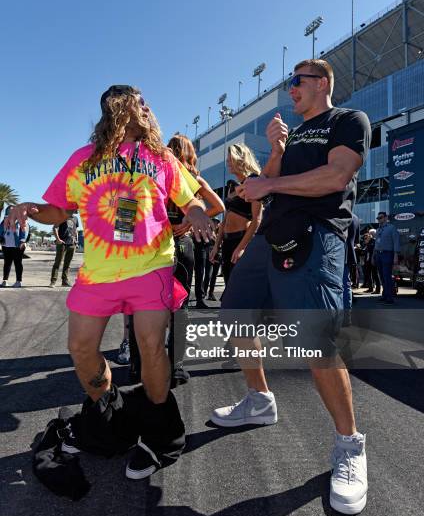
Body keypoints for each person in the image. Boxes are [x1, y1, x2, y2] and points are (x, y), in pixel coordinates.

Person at [5, 85, 213, 480]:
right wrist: (28, 207)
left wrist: (199, 213)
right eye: (142, 102)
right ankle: (112, 416)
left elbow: (191, 199)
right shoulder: (83, 159)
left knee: (151, 345)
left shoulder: (162, 157)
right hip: (98, 272)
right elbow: (57, 210)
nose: (150, 109)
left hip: (152, 264)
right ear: (121, 108)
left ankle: (157, 432)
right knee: (80, 348)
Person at [211, 59, 371, 515]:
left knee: (315, 343)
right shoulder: (296, 134)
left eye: (295, 82)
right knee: (236, 315)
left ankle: (349, 446)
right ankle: (259, 399)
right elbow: (268, 185)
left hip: (318, 234)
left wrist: (272, 181)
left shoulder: (347, 120)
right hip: (270, 236)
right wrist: (277, 148)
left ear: (321, 83)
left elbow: (335, 176)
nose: (290, 90)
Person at [166, 134, 224, 379]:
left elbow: (219, 207)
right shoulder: (193, 178)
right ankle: (176, 363)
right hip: (182, 244)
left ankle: (147, 360)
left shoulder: (164, 173)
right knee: (180, 303)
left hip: (161, 244)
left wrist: (188, 223)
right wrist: (190, 222)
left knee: (150, 302)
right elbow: (218, 206)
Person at [210, 144, 263, 286]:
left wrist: (241, 247)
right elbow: (225, 220)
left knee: (240, 287)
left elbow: (256, 220)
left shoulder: (254, 181)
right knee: (229, 284)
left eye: (230, 158)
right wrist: (216, 246)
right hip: (227, 243)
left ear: (241, 159)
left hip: (241, 240)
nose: (227, 162)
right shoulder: (232, 186)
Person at [374, 211, 400, 305]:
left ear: (385, 218)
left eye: (380, 217)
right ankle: (385, 295)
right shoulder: (378, 230)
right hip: (378, 255)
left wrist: (395, 256)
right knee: (382, 276)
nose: (379, 219)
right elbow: (376, 244)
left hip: (387, 254)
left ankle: (390, 298)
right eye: (378, 218)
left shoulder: (391, 228)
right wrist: (374, 256)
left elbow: (396, 242)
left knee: (387, 276)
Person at [0, 205, 29, 288]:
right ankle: (5, 281)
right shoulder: (3, 222)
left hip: (17, 246)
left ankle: (18, 281)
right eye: (9, 210)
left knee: (18, 263)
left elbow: (24, 231)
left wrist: (22, 241)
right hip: (6, 245)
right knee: (7, 263)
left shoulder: (21, 221)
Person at [49, 213, 79, 287]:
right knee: (57, 263)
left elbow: (75, 230)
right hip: (62, 243)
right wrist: (58, 239)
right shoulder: (62, 216)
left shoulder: (75, 218)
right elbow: (55, 227)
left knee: (67, 264)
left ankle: (65, 281)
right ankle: (53, 281)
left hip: (72, 244)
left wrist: (76, 241)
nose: (77, 209)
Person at [342, 213, 360, 326]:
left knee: (334, 286)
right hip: (349, 255)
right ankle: (346, 318)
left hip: (336, 253)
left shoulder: (338, 212)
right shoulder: (356, 218)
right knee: (346, 285)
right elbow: (356, 240)